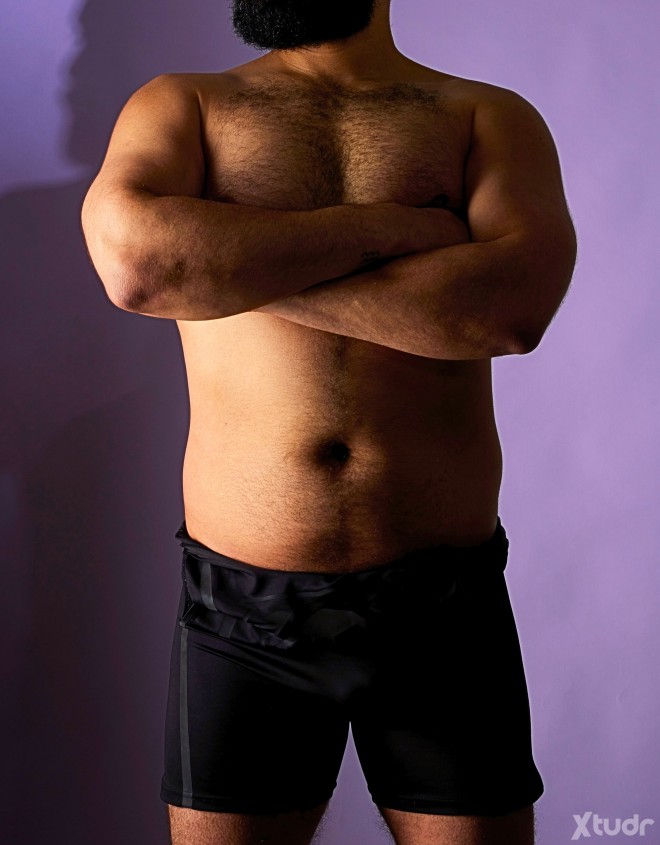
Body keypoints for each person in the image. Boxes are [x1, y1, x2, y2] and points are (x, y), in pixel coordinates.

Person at [80, 1, 577, 843]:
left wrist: (229, 266)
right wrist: (393, 231)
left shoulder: (484, 116)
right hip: (242, 613)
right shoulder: (183, 104)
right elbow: (139, 267)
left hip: (442, 608)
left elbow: (510, 309)